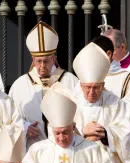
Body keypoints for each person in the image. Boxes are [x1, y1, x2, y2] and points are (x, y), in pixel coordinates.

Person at [23, 87, 115, 163]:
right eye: (57, 133)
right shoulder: (38, 149)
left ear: (73, 127)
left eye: (65, 132)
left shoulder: (92, 149)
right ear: (51, 129)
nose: (61, 138)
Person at [72, 42, 130, 163]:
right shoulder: (71, 102)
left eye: (96, 87)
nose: (91, 92)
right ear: (80, 85)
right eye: (87, 87)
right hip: (78, 159)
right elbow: (57, 131)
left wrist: (106, 135)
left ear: (103, 85)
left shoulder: (115, 103)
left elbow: (127, 132)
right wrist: (81, 131)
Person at [8, 21, 78, 150]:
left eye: (46, 61)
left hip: (65, 148)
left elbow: (81, 113)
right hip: (33, 148)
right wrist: (25, 127)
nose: (42, 66)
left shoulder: (70, 81)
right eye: (38, 61)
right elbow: (10, 117)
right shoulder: (20, 85)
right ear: (32, 59)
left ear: (54, 59)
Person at [90, 35, 130, 103]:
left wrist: (105, 94)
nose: (91, 60)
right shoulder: (86, 77)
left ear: (108, 54)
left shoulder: (129, 79)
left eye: (95, 55)